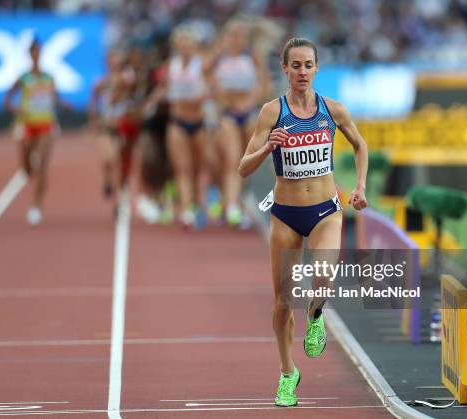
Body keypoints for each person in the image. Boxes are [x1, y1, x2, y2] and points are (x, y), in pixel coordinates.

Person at [238, 37, 368, 407]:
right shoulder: (272, 112)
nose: (302, 72)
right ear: (284, 69)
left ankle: (316, 314)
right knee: (281, 303)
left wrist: (360, 185)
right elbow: (243, 169)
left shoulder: (332, 110)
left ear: (316, 68)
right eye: (295, 65)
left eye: (308, 65)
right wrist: (267, 148)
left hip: (326, 209)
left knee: (323, 276)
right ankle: (287, 373)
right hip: (286, 214)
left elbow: (360, 145)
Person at [146, 26, 211, 229]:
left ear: (194, 47)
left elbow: (211, 87)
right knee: (182, 168)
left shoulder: (202, 65)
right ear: (177, 46)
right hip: (177, 122)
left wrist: (202, 97)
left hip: (199, 122)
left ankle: (199, 204)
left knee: (198, 168)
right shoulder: (171, 66)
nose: (185, 49)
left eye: (189, 45)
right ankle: (185, 210)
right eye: (181, 45)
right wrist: (150, 102)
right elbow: (164, 87)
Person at [4, 38, 71, 226]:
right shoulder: (23, 78)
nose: (36, 55)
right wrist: (16, 110)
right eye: (33, 51)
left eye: (38, 51)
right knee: (26, 169)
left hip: (46, 125)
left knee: (41, 164)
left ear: (41, 53)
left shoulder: (48, 78)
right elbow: (6, 101)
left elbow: (55, 99)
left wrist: (65, 105)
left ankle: (36, 206)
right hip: (26, 125)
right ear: (29, 54)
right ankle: (31, 173)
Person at [213, 18, 270, 227]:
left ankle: (239, 199)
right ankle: (231, 206)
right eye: (232, 34)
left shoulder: (252, 56)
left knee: (248, 162)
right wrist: (222, 99)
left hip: (248, 113)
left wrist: (248, 102)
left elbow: (263, 84)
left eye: (240, 35)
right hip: (227, 113)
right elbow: (206, 77)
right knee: (232, 158)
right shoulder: (220, 56)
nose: (236, 39)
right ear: (226, 36)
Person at [88, 50, 138, 214]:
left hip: (121, 126)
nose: (114, 65)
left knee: (117, 160)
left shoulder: (126, 80)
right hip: (106, 127)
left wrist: (121, 87)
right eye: (112, 62)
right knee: (108, 158)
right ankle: (108, 179)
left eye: (117, 62)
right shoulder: (101, 83)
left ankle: (118, 202)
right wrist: (94, 121)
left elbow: (131, 88)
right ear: (107, 64)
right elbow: (93, 101)